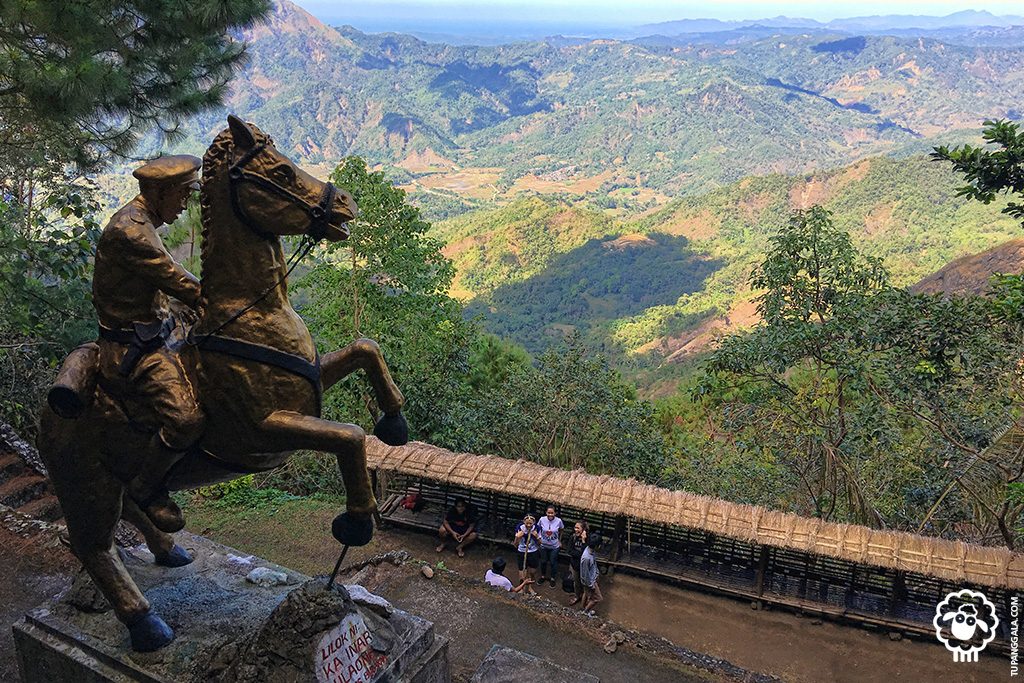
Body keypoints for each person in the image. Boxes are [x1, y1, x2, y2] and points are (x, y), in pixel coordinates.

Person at [92, 155, 204, 533]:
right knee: (186, 419)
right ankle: (148, 487)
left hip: (160, 327)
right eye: (182, 194)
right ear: (159, 192)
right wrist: (225, 301)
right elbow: (178, 280)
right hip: (133, 347)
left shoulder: (145, 222)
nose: (185, 204)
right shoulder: (131, 231)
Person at [514, 513, 542, 595]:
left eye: (530, 523)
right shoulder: (520, 528)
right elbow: (515, 545)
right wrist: (517, 537)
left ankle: (530, 587)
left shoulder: (537, 529)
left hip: (533, 552)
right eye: (527, 523)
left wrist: (537, 537)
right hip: (522, 552)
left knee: (532, 572)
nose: (529, 525)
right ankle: (521, 588)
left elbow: (540, 543)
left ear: (534, 522)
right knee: (522, 572)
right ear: (524, 522)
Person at [537, 505, 564, 587]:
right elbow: (538, 528)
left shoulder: (559, 521)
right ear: (546, 512)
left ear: (555, 513)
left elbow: (561, 530)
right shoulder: (542, 519)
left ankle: (552, 578)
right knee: (543, 561)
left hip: (554, 546)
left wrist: (559, 540)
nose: (550, 514)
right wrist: (539, 538)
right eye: (548, 513)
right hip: (543, 545)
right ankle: (543, 576)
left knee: (553, 562)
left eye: (552, 513)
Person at [567, 520, 589, 606]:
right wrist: (580, 554)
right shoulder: (572, 537)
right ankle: (577, 596)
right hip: (575, 564)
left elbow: (587, 553)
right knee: (576, 582)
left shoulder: (588, 539)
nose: (575, 530)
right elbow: (569, 551)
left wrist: (583, 540)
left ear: (583, 530)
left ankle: (585, 597)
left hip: (585, 566)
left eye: (578, 528)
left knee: (585, 583)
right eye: (575, 527)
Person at [580, 532, 603, 613]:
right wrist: (591, 585)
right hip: (589, 581)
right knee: (598, 598)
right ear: (597, 546)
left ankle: (582, 608)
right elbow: (585, 574)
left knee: (586, 593)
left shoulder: (590, 550)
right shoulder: (586, 558)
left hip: (591, 578)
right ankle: (585, 611)